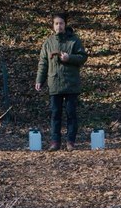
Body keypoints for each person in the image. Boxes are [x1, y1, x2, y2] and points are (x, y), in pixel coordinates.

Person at [34, 12, 87, 151]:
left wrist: (69, 58)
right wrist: (40, 80)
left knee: (71, 114)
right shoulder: (48, 43)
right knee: (55, 114)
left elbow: (82, 57)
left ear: (65, 24)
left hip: (71, 84)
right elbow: (43, 63)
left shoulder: (74, 40)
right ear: (53, 26)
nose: (59, 26)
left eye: (61, 23)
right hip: (54, 84)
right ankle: (55, 142)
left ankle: (70, 142)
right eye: (56, 23)